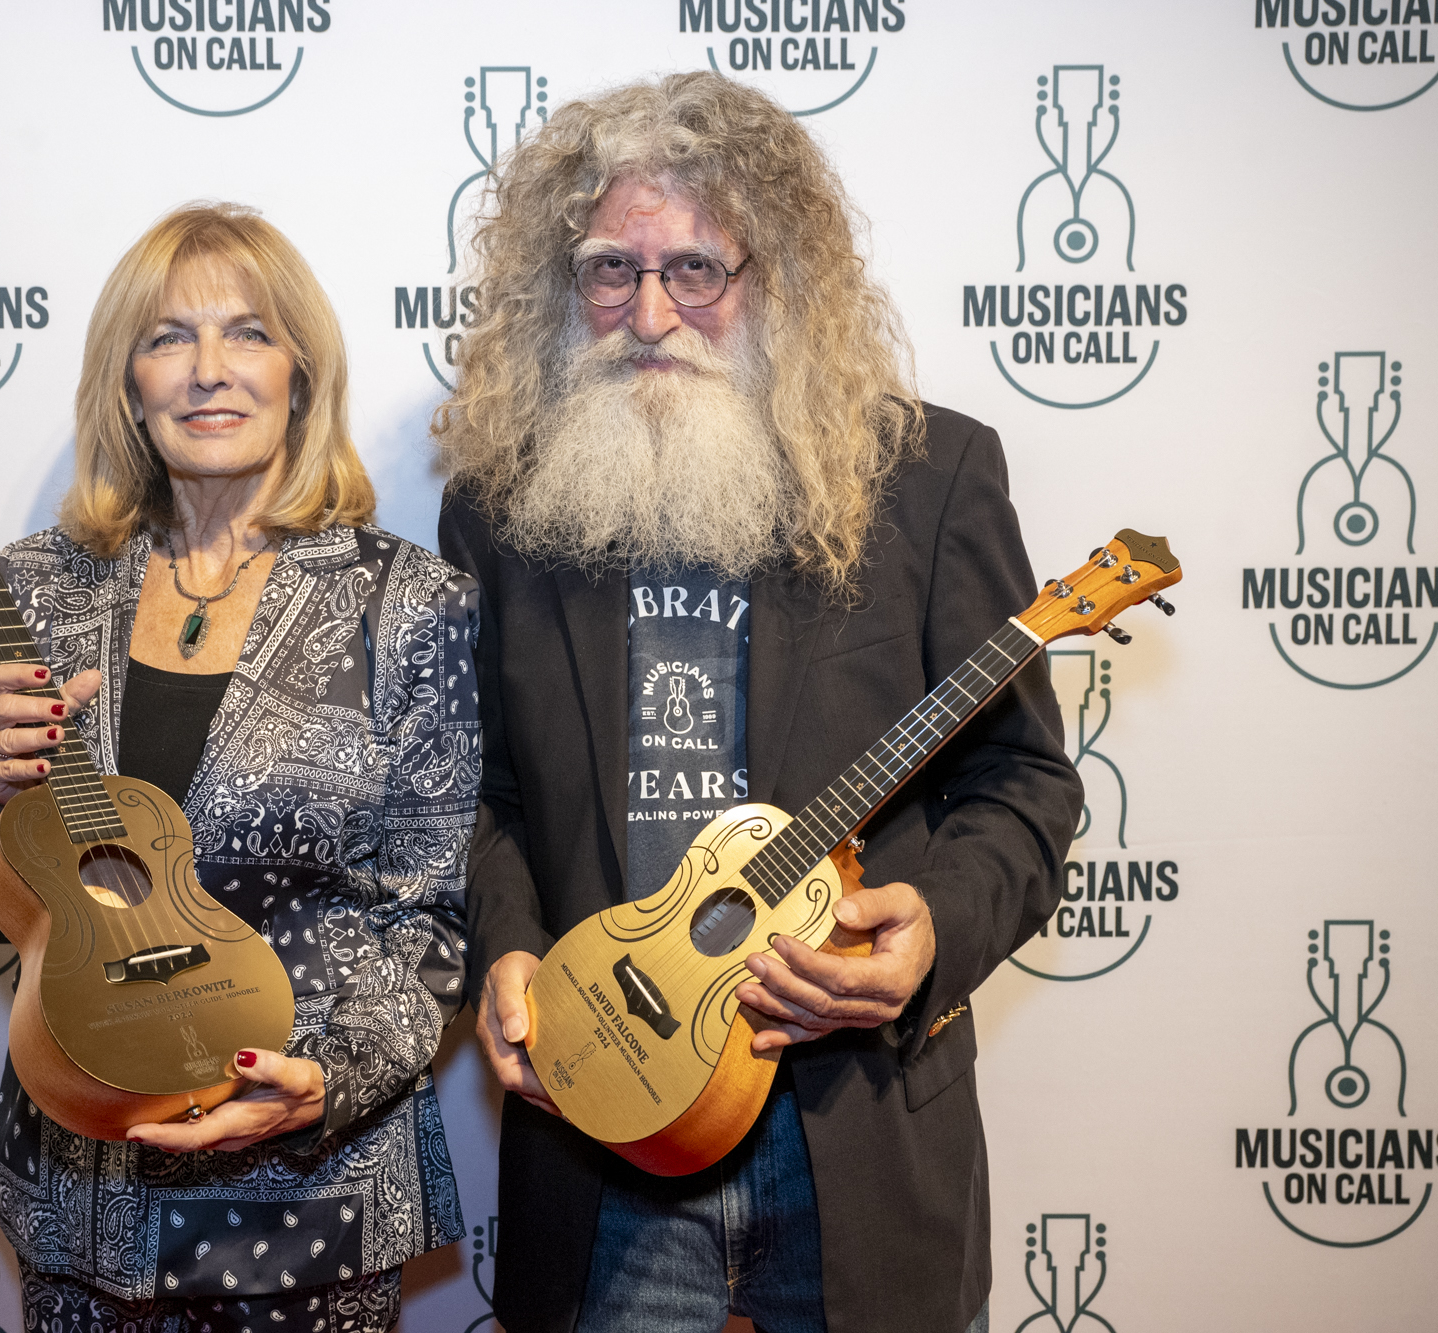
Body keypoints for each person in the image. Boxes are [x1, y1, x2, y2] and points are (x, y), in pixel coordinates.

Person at [434, 74, 1083, 1333]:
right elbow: (479, 790)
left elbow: (1023, 782)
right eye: (608, 270)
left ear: (770, 277)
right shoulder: (501, 509)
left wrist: (932, 936)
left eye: (694, 270)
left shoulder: (929, 478)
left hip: (854, 1125)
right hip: (599, 1120)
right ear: (558, 289)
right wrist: (508, 947)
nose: (649, 312)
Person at [0, 203, 479, 1333]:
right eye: (164, 338)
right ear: (126, 382)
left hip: (309, 1189)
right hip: (86, 1178)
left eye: (245, 332)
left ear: (300, 367)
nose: (205, 372)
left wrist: (323, 1082)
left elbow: (434, 914)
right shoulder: (38, 588)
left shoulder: (409, 604)